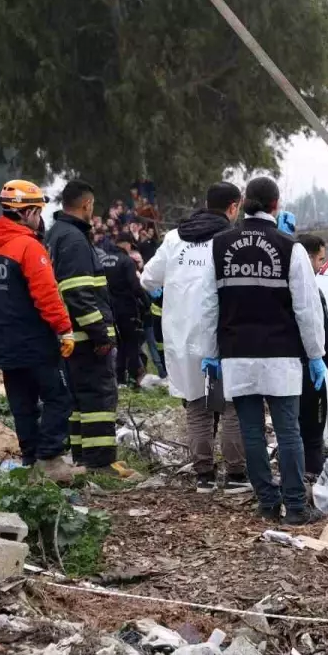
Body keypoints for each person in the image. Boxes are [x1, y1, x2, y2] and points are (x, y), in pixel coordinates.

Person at [203, 176, 326, 523]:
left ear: (243, 203)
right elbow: (307, 307)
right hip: (281, 356)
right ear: (276, 205)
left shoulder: (219, 246)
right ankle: (296, 508)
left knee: (251, 431)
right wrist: (315, 354)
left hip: (237, 354)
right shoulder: (291, 248)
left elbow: (209, 305)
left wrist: (211, 352)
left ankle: (267, 502)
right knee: (289, 432)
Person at [141, 182, 249, 494]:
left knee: (197, 404)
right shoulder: (232, 239)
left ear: (205, 203)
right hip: (223, 333)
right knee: (231, 405)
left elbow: (148, 279)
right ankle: (236, 475)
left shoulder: (175, 238)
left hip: (182, 336)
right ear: (233, 207)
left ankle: (204, 475)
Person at [0, 180, 80, 481]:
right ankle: (50, 459)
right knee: (59, 398)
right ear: (28, 211)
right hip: (36, 341)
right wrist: (65, 330)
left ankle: (31, 460)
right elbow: (47, 296)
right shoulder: (29, 247)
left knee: (22, 405)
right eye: (38, 211)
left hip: (2, 342)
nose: (39, 217)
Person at [46, 180, 119, 471]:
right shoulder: (75, 240)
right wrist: (100, 333)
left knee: (78, 403)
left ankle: (80, 457)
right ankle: (100, 463)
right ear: (87, 204)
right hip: (87, 338)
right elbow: (77, 292)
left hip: (70, 336)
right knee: (97, 401)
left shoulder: (55, 235)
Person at [292, 233, 328, 476]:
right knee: (313, 435)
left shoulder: (279, 286)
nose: (320, 266)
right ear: (307, 258)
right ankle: (311, 483)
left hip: (282, 372)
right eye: (320, 260)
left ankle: (292, 480)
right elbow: (327, 340)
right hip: (307, 372)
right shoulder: (313, 293)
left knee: (289, 432)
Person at [96, 233, 148, 388]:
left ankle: (119, 379)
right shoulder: (126, 261)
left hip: (108, 308)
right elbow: (135, 285)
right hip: (126, 308)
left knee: (117, 343)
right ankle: (133, 378)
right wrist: (145, 303)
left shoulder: (102, 261)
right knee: (131, 343)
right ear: (126, 244)